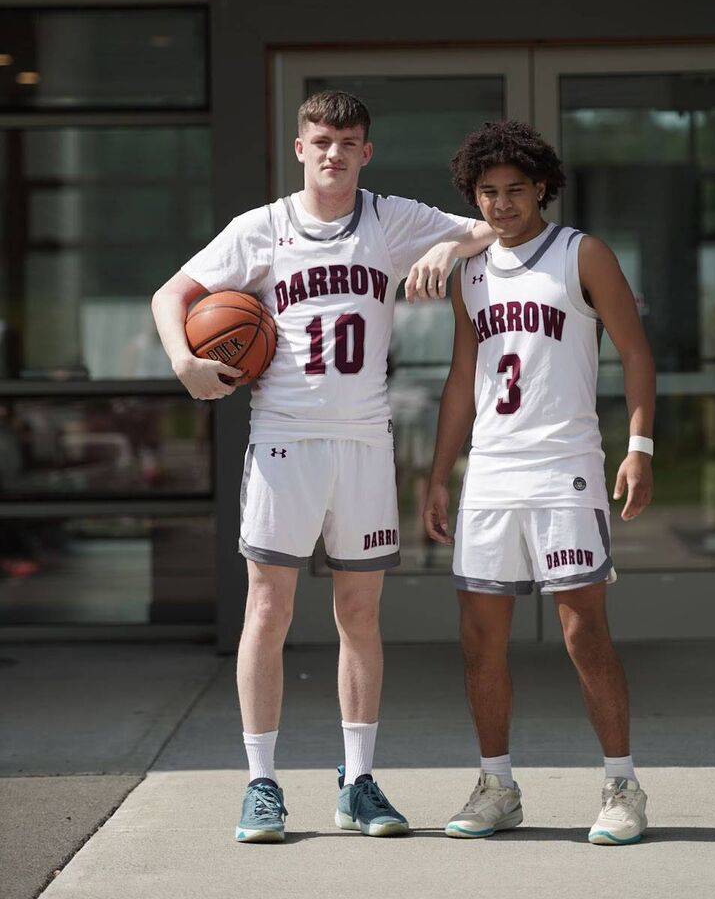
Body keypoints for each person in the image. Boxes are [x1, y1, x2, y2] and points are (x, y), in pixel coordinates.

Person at [151, 90, 493, 844]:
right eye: (320, 140)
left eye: (347, 141)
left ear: (365, 153)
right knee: (267, 612)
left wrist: (447, 244)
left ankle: (358, 781)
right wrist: (184, 360)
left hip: (366, 441)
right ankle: (261, 785)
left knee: (361, 616)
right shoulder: (261, 228)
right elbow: (172, 293)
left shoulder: (391, 217)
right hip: (284, 439)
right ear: (298, 148)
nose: (333, 152)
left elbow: (489, 223)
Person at [424, 119, 655, 846]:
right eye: (487, 193)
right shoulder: (470, 271)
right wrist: (438, 474)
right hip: (491, 473)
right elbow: (464, 378)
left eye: (515, 190)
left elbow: (637, 353)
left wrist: (639, 446)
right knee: (478, 640)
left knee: (583, 632)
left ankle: (622, 786)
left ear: (543, 188)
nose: (501, 204)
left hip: (566, 468)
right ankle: (498, 785)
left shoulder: (581, 253)